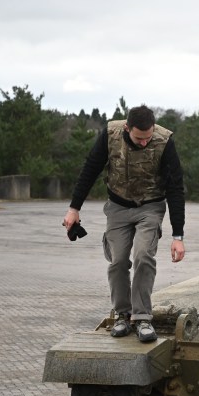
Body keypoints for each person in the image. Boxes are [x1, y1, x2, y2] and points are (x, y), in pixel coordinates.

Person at [62, 105, 185, 343]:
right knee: (118, 261)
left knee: (143, 256)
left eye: (148, 138)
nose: (144, 143)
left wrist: (178, 235)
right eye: (139, 138)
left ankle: (142, 318)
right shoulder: (110, 135)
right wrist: (74, 208)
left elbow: (175, 187)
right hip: (118, 208)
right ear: (127, 128)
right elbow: (90, 169)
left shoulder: (164, 140)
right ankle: (122, 314)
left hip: (150, 207)